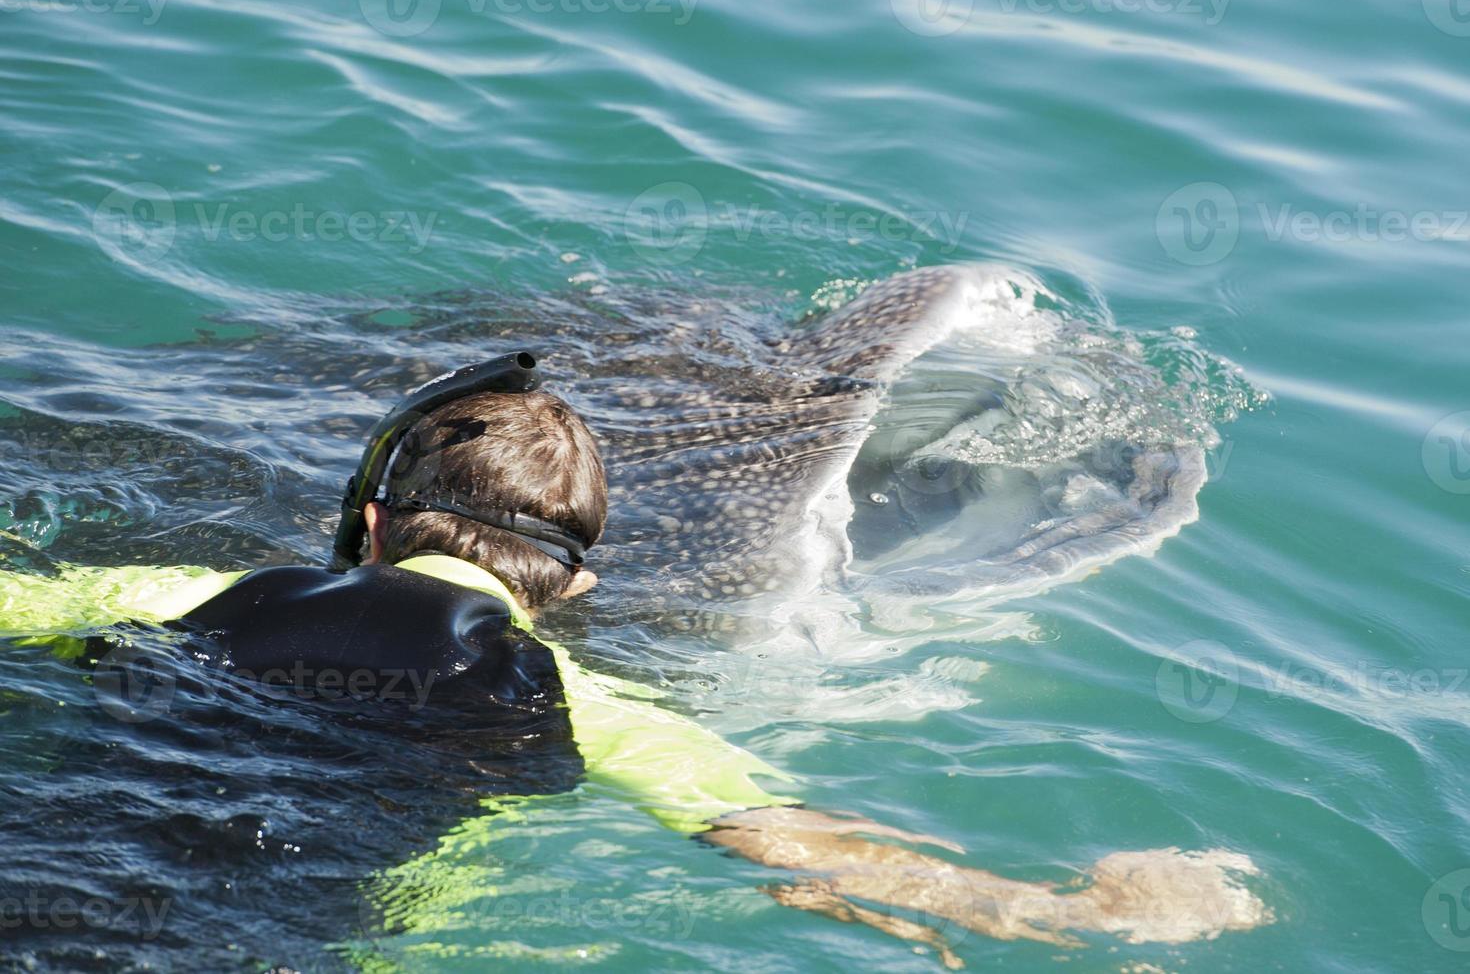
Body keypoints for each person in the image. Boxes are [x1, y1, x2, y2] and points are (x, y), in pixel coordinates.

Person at [0, 354, 1265, 966]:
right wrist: (1082, 911)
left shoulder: (189, 592)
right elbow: (794, 843)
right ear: (577, 586)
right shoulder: (590, 705)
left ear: (372, 524)